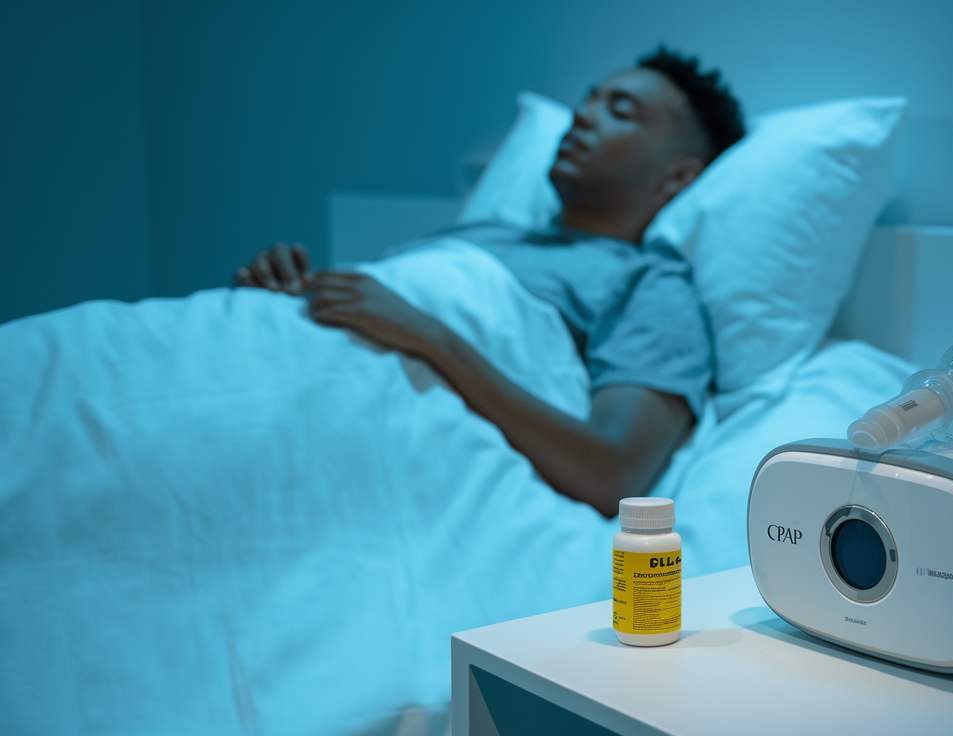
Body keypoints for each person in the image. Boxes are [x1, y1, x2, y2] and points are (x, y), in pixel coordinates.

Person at [233, 47, 745, 518]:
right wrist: (287, 296)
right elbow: (371, 313)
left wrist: (428, 335)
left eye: (621, 111)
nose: (583, 114)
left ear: (678, 178)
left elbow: (612, 472)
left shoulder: (652, 285)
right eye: (589, 98)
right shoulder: (483, 234)